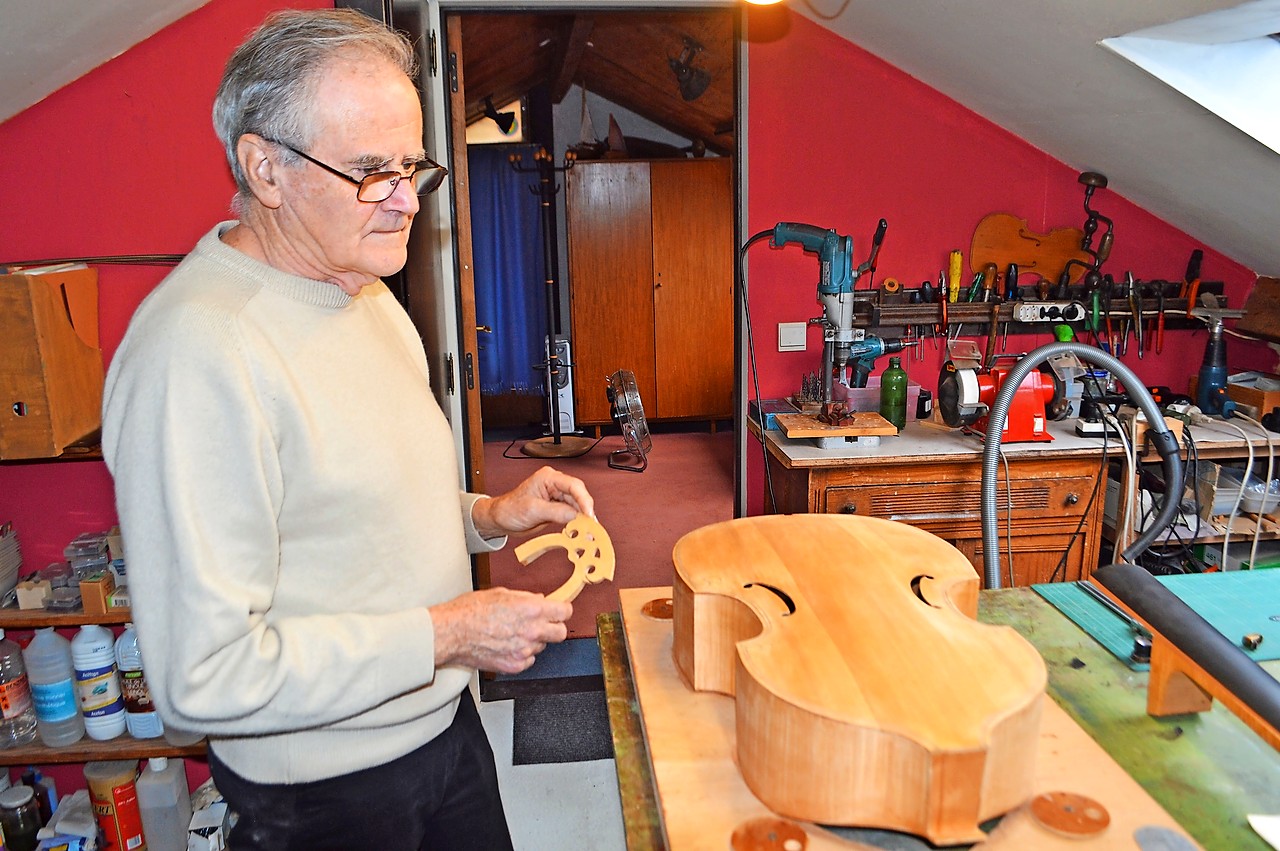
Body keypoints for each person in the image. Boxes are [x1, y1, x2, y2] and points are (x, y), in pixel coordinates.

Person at [100, 9, 594, 850]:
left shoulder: (363, 289)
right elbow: (202, 677)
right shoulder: (197, 353)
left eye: (411, 166)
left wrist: (485, 513)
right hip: (325, 794)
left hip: (442, 727)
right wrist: (450, 631)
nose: (405, 201)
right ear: (266, 170)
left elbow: (352, 503)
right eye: (371, 171)